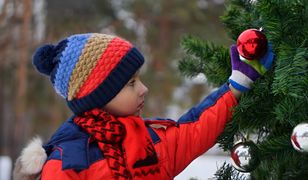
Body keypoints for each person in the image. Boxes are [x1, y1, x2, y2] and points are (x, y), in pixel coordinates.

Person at [13, 33, 274, 180]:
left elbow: (193, 130)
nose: (144, 89)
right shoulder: (68, 164)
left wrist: (237, 84)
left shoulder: (147, 140)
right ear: (98, 96)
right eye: (131, 83)